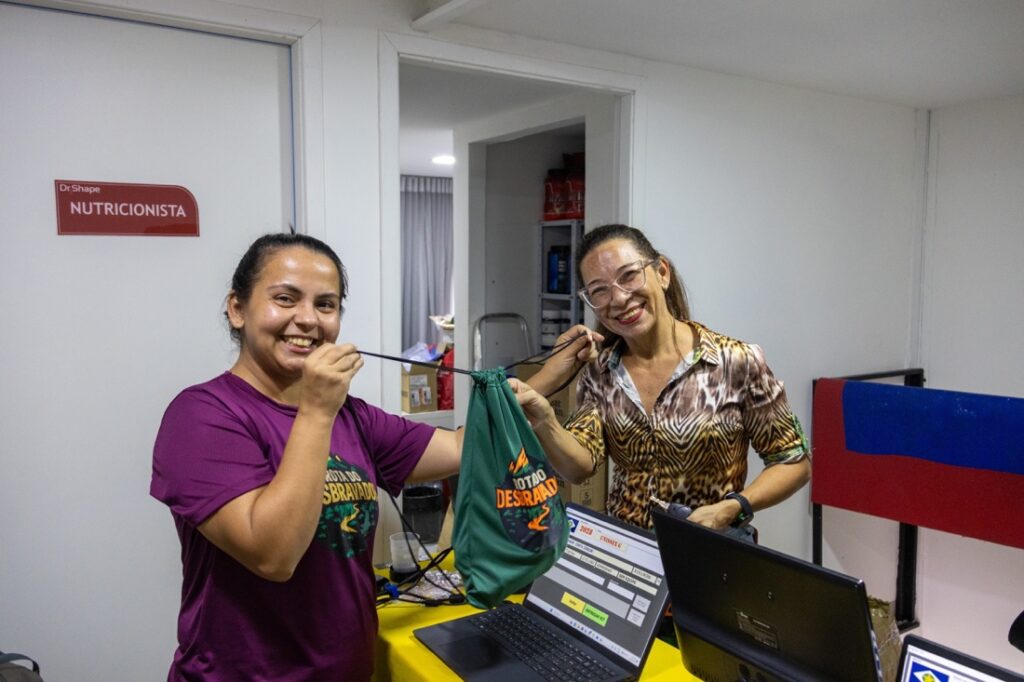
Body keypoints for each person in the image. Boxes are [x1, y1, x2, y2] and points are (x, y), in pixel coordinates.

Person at [150, 233, 461, 681]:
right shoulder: (202, 416)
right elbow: (273, 555)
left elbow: (457, 447)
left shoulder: (352, 416)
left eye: (326, 305)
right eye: (285, 299)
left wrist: (540, 385)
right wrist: (316, 410)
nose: (308, 319)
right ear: (237, 309)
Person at [515, 223, 810, 531]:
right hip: (626, 549)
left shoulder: (734, 362)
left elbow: (793, 462)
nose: (619, 298)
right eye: (600, 290)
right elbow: (580, 467)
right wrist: (545, 421)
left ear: (662, 273)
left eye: (629, 275)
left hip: (710, 547)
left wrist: (734, 507)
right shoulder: (601, 372)